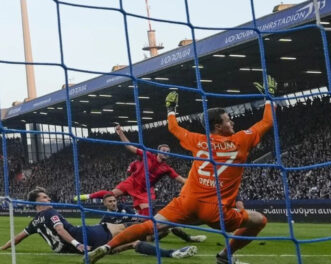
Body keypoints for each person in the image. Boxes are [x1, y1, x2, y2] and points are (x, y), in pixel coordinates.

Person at [86, 75, 277, 264]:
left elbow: (173, 127)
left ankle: (107, 247)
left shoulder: (197, 140)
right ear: (218, 126)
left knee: (148, 225)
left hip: (188, 201)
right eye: (228, 120)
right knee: (259, 220)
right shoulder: (241, 140)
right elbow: (267, 122)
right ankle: (225, 256)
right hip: (216, 209)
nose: (232, 123)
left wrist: (170, 109)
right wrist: (269, 97)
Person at [0, 187, 197, 259]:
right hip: (83, 236)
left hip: (70, 249)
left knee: (130, 244)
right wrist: (77, 243)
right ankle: (173, 222)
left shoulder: (35, 221)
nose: (48, 198)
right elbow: (60, 229)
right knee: (133, 230)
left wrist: (3, 247)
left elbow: (19, 237)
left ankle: (171, 253)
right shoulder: (51, 212)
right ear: (36, 202)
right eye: (44, 197)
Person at [75, 129, 186, 217]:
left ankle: (138, 224)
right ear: (158, 151)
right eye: (163, 151)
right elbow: (129, 146)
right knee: (111, 194)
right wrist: (120, 133)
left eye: (168, 152)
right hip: (132, 182)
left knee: (147, 214)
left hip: (143, 190)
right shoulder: (147, 155)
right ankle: (87, 196)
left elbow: (182, 180)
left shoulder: (167, 169)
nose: (166, 153)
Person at [100, 193, 207, 243]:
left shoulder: (123, 208)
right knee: (166, 228)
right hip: (138, 237)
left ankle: (189, 238)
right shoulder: (105, 219)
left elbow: (136, 217)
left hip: (144, 228)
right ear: (104, 203)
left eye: (114, 201)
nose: (113, 203)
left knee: (169, 223)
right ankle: (190, 239)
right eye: (110, 202)